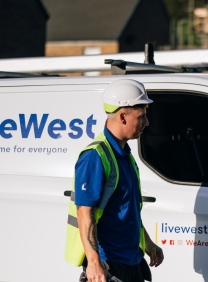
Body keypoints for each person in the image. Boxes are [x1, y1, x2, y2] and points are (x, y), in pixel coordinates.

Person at [65, 79, 164, 282]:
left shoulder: (125, 156)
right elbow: (85, 212)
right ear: (123, 116)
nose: (147, 123)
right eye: (142, 116)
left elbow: (127, 211)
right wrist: (94, 263)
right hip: (109, 265)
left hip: (131, 261)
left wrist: (148, 244)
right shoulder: (95, 157)